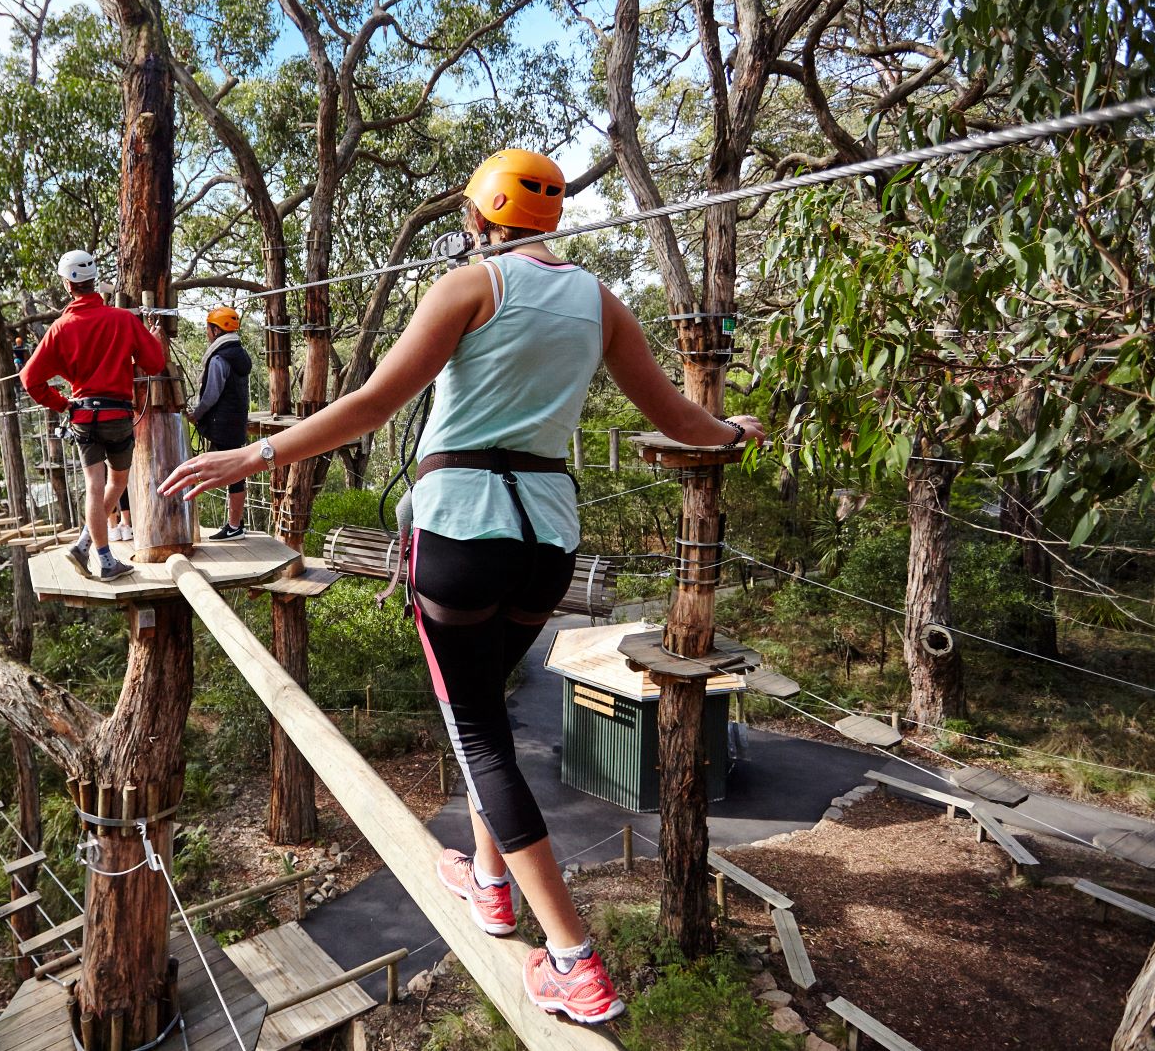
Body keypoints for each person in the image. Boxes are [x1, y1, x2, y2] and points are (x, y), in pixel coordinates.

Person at [162, 148, 764, 1024]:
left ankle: (573, 960)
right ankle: (489, 881)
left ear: (478, 218)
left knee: (479, 736)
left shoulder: (467, 285)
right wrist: (731, 430)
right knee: (482, 712)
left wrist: (250, 456)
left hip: (458, 535)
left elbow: (372, 405)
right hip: (545, 543)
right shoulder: (600, 302)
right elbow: (678, 420)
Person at [22, 249, 167, 581]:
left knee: (93, 485)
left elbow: (29, 379)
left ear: (67, 284)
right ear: (94, 281)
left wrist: (62, 404)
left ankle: (92, 550)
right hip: (117, 416)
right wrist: (152, 340)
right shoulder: (123, 320)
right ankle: (97, 554)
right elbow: (155, 364)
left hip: (83, 417)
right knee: (117, 482)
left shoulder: (60, 328)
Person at [187, 306, 253, 540]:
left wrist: (196, 414)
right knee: (236, 472)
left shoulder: (219, 358)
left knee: (228, 473)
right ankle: (236, 524)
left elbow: (211, 395)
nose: (207, 332)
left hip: (222, 423)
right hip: (236, 421)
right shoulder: (239, 355)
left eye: (208, 328)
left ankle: (234, 527)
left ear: (216, 330)